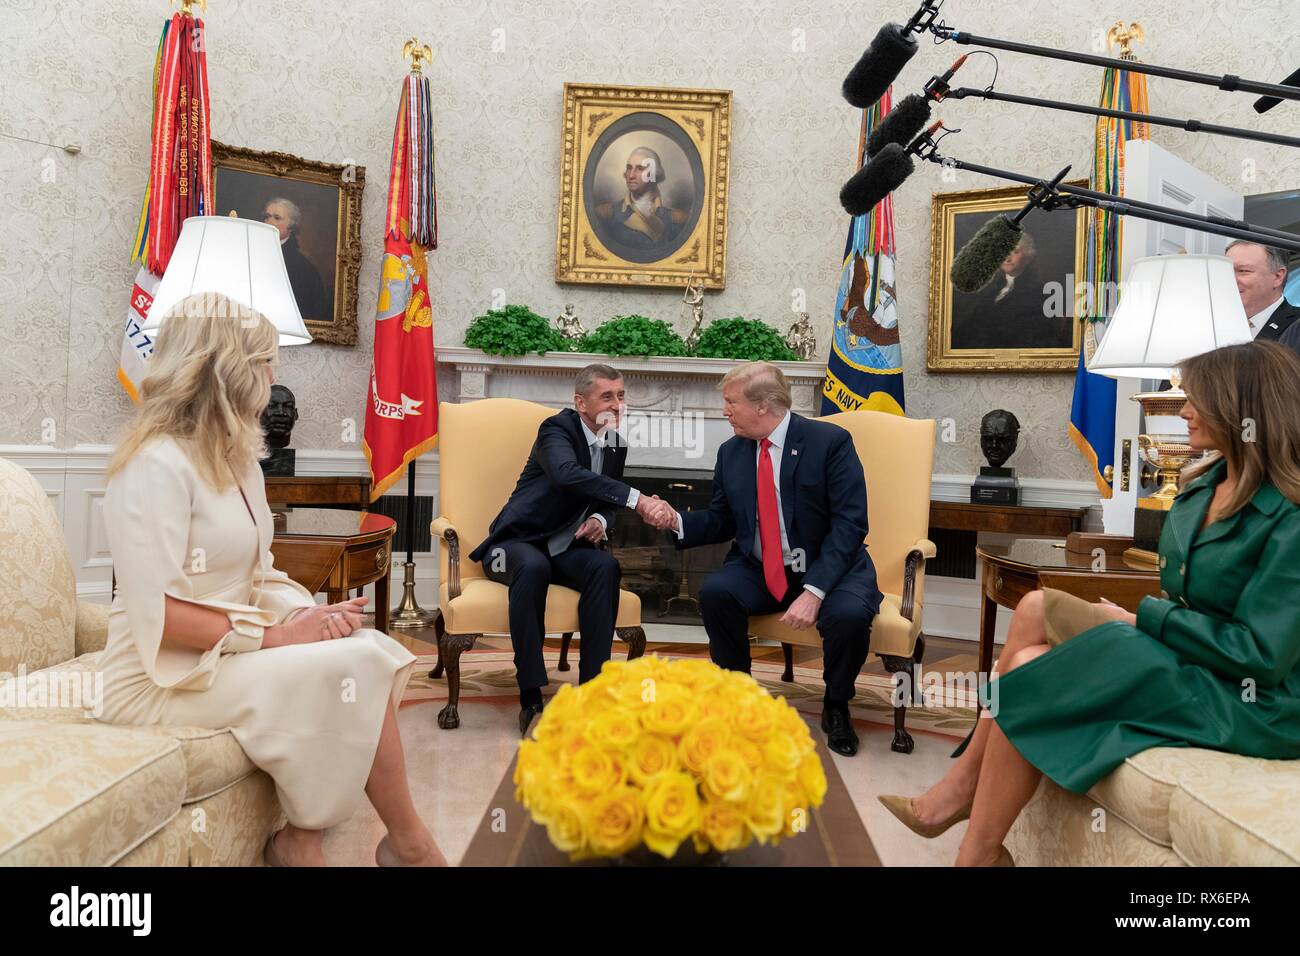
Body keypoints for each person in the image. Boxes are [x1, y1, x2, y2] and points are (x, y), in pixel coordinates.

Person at [879, 340, 1300, 866]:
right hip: (1189, 653)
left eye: (1199, 400)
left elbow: (1260, 657)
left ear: (1243, 413)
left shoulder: (1289, 516)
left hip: (1250, 698)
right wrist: (1150, 623)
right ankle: (964, 799)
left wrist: (1146, 620)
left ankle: (973, 845)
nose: (1185, 410)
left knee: (1031, 665)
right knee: (1034, 607)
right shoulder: (1204, 484)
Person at [99, 292, 444, 868]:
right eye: (263, 361)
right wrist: (281, 637)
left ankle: (312, 840)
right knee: (352, 667)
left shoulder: (236, 461)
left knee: (365, 647)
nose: (273, 374)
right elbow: (161, 616)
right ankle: (405, 845)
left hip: (223, 652)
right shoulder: (153, 465)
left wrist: (308, 615)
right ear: (224, 370)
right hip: (156, 677)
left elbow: (261, 575)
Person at [643, 362, 883, 756]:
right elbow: (722, 520)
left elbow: (849, 525)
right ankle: (737, 695)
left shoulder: (830, 442)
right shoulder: (732, 452)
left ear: (763, 405)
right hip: (759, 568)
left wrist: (814, 590)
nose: (724, 411)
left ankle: (836, 704)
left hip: (831, 568)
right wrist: (676, 520)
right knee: (717, 592)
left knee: (849, 617)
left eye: (730, 401)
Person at [468, 364, 674, 734]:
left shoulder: (615, 444)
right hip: (518, 542)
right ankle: (531, 694)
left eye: (621, 395)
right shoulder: (556, 429)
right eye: (607, 396)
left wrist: (601, 520)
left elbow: (605, 496)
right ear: (580, 402)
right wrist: (638, 500)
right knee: (534, 568)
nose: (617, 404)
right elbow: (566, 474)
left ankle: (594, 691)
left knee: (604, 568)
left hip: (564, 546)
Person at [592, 146, 689, 252]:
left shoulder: (677, 220)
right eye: (629, 168)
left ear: (653, 174)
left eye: (639, 168)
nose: (631, 175)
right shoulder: (605, 214)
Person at [1225, 240, 1300, 354]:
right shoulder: (1208, 325)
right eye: (1226, 270)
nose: (1230, 279)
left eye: (1243, 271)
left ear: (1277, 277)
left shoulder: (1296, 327)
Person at [263, 197, 328, 323]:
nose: (269, 222)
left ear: (291, 226)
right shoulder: (253, 252)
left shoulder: (305, 269)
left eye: (277, 218)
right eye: (267, 216)